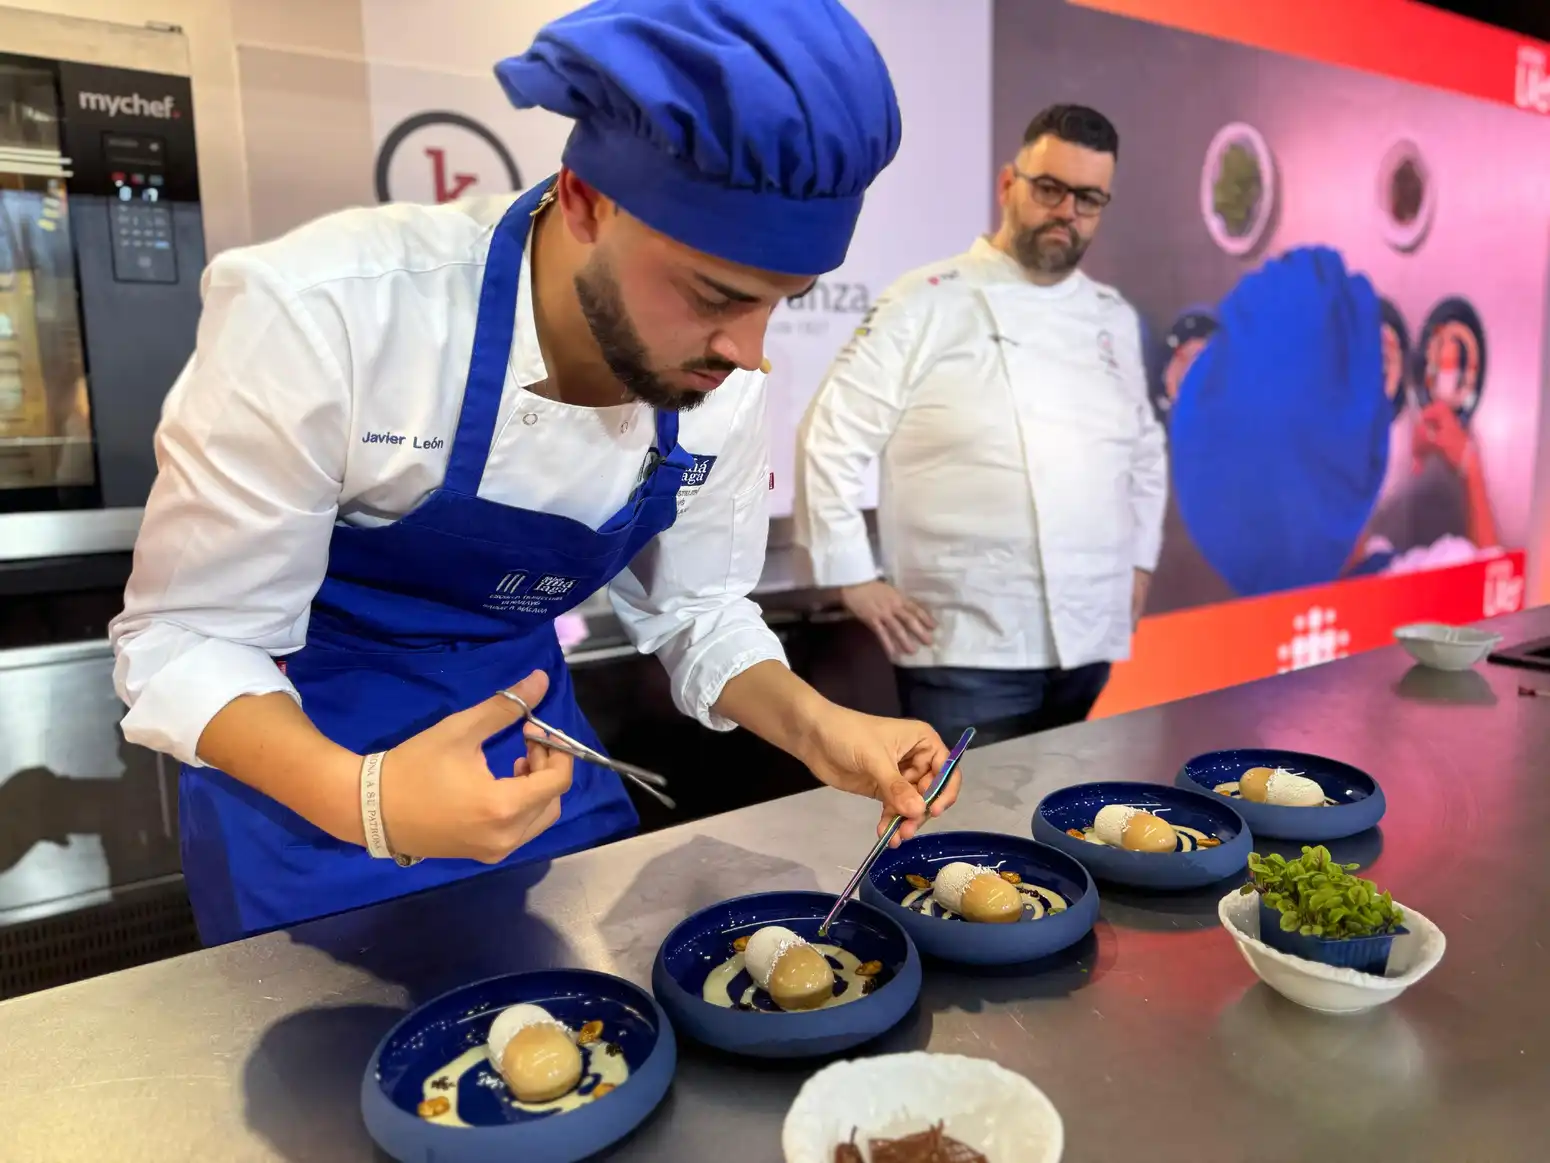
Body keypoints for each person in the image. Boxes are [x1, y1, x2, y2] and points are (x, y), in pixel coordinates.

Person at [108, 0, 957, 946]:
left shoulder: (720, 372)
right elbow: (184, 638)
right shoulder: (328, 317)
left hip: (541, 764)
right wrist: (369, 798)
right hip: (306, 793)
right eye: (717, 295)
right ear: (586, 198)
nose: (749, 353)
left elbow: (697, 610)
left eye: (780, 305)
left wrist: (819, 728)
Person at [793, 104, 1167, 747]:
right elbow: (831, 433)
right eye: (1049, 188)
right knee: (975, 835)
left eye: (1088, 199)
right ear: (1008, 185)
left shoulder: (1111, 316)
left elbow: (1145, 452)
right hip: (964, 646)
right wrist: (851, 573)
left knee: (1061, 815)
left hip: (1088, 637)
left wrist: (1137, 562)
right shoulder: (927, 298)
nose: (1066, 211)